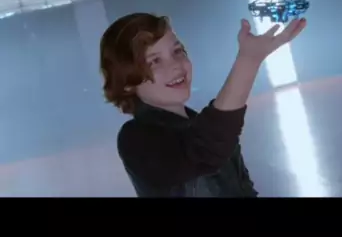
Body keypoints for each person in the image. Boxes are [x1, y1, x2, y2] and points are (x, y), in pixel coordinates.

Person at [100, 11, 306, 197]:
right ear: (126, 82)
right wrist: (249, 59)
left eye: (177, 51)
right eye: (154, 61)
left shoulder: (198, 123)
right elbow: (204, 150)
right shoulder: (135, 139)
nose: (176, 66)